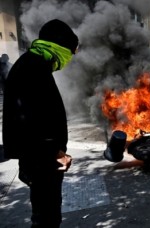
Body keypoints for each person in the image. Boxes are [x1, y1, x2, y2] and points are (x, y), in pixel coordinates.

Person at [3, 19, 77, 227]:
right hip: (42, 160)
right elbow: (30, 120)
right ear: (61, 46)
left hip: (39, 158)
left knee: (46, 213)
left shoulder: (34, 64)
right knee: (47, 216)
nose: (71, 57)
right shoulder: (33, 68)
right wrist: (56, 153)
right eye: (71, 51)